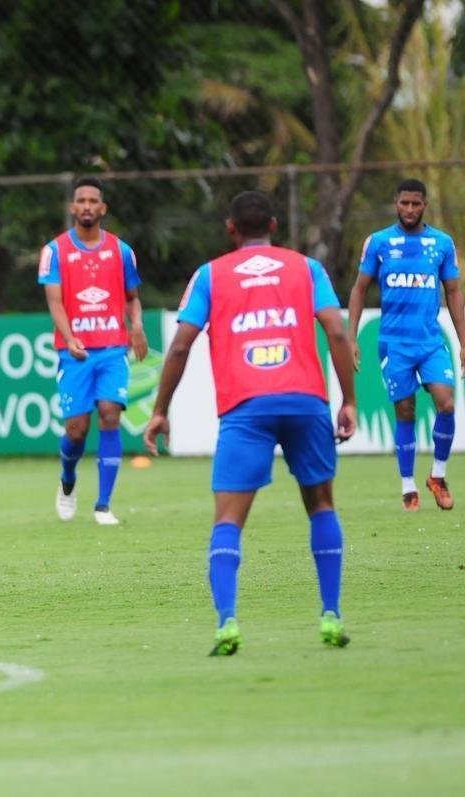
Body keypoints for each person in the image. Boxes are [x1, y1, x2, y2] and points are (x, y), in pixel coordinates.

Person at [143, 191, 357, 656]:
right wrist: (349, 400)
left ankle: (227, 623)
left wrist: (160, 410)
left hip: (246, 408)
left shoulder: (210, 275)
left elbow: (179, 346)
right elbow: (337, 331)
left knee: (228, 521)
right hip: (305, 402)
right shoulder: (307, 268)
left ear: (230, 228)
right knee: (321, 506)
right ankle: (331, 614)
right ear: (275, 226)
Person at [347, 178, 465, 512]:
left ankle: (437, 477)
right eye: (404, 203)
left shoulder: (441, 243)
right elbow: (358, 289)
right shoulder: (380, 242)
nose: (410, 209)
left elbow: (454, 292)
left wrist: (463, 341)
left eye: (416, 204)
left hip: (430, 342)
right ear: (396, 203)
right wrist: (352, 337)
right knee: (405, 411)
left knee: (446, 404)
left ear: (424, 204)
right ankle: (408, 486)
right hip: (394, 344)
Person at [38, 177, 148, 526]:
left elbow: (132, 298)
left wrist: (137, 326)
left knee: (111, 414)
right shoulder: (54, 251)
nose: (86, 206)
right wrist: (69, 338)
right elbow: (55, 302)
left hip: (113, 348)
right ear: (73, 207)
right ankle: (68, 481)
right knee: (76, 430)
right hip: (75, 353)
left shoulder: (121, 251)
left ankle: (103, 505)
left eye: (93, 201)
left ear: (103, 208)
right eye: (81, 200)